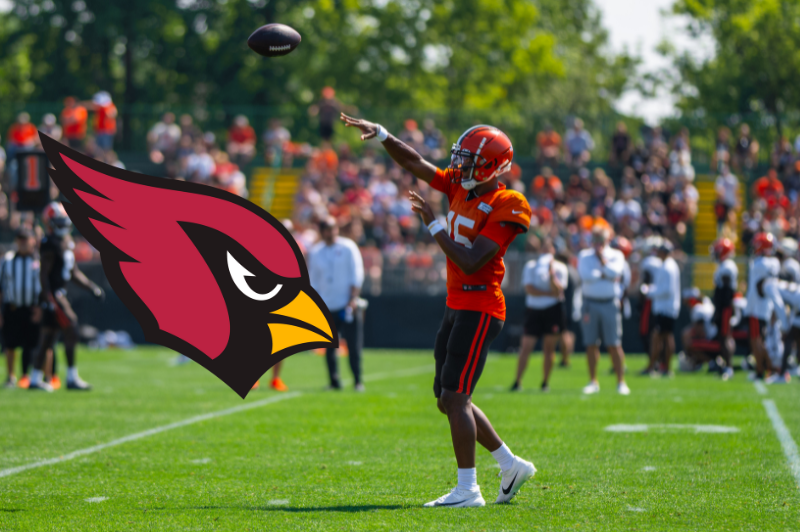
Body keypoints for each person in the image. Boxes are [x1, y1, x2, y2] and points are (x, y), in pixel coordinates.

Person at [341, 113, 537, 507]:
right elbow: (415, 163)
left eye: (468, 160)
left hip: (481, 306)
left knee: (456, 396)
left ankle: (469, 490)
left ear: (491, 166)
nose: (459, 165)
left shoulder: (508, 202)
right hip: (456, 304)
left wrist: (433, 226)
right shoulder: (461, 188)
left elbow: (472, 261)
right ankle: (510, 463)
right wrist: (383, 135)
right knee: (447, 398)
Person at [28, 202, 105, 392]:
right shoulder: (49, 244)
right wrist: (47, 297)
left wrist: (91, 287)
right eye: (59, 222)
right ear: (49, 223)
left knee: (48, 338)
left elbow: (73, 272)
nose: (63, 225)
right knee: (71, 328)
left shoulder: (66, 243)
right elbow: (44, 274)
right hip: (54, 295)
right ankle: (71, 377)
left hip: (57, 294)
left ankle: (35, 379)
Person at [308, 217, 365, 392]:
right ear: (322, 231)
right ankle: (334, 381)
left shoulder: (348, 247)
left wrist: (353, 298)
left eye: (333, 228)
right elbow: (313, 280)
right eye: (327, 229)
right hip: (326, 305)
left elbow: (357, 272)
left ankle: (357, 380)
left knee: (353, 345)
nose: (331, 232)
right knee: (329, 347)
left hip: (347, 304)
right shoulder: (316, 252)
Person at [577, 226, 630, 395]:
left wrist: (602, 262)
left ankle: (621, 382)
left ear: (607, 240)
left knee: (614, 344)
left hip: (609, 303)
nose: (597, 244)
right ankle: (593, 381)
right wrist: (604, 274)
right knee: (591, 344)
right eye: (595, 239)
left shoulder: (616, 255)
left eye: (600, 240)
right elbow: (586, 276)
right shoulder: (584, 255)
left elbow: (616, 273)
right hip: (590, 303)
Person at [510, 238, 567, 392]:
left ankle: (545, 382)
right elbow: (529, 289)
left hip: (552, 310)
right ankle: (517, 381)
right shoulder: (531, 266)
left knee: (549, 348)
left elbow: (558, 290)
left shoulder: (560, 268)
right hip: (534, 310)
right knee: (526, 346)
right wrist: (548, 293)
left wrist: (551, 274)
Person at [1, 228, 42, 388]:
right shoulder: (7, 261)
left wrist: (40, 308)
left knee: (32, 344)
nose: (23, 242)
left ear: (33, 240)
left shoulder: (39, 260)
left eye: (26, 238)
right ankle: (11, 377)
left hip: (32, 308)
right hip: (12, 308)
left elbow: (44, 286)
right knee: (10, 344)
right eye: (20, 239)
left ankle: (28, 376)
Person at [745, 233, 787, 381]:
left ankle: (768, 369)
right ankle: (768, 368)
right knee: (761, 340)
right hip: (767, 306)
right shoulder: (774, 262)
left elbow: (757, 286)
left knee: (756, 340)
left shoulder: (759, 263)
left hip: (756, 307)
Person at [641, 241, 681, 377]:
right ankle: (664, 367)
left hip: (665, 308)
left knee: (658, 337)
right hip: (667, 307)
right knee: (666, 337)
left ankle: (654, 366)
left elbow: (667, 290)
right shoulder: (669, 266)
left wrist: (650, 291)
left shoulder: (668, 267)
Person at [711, 238, 738, 379]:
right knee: (723, 336)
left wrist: (719, 310)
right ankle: (726, 366)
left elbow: (726, 291)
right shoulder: (724, 265)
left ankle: (729, 367)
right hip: (724, 307)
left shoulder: (727, 266)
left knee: (725, 336)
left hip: (725, 307)